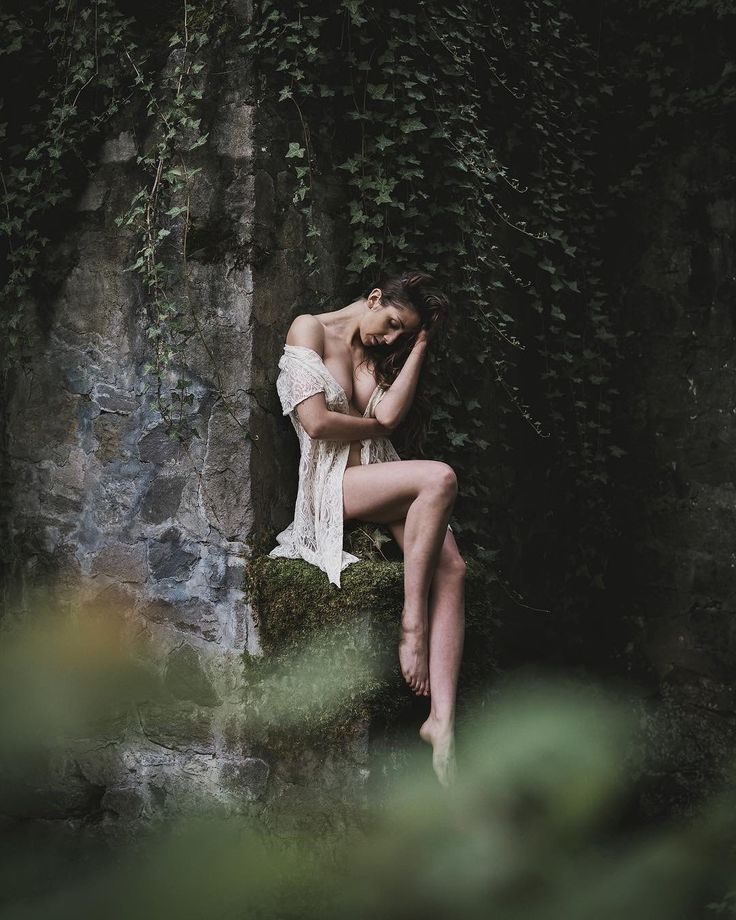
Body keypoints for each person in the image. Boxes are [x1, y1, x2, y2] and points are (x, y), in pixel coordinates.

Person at [269, 271, 465, 787]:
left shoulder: (373, 353)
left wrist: (420, 342)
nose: (392, 338)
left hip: (375, 472)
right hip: (331, 484)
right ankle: (411, 624)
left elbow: (391, 416)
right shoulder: (309, 329)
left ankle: (441, 721)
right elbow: (315, 423)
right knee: (439, 476)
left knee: (454, 568)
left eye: (403, 334)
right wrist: (375, 426)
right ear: (374, 298)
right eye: (394, 323)